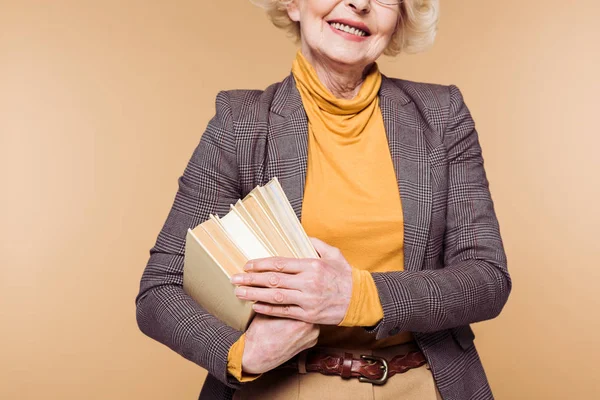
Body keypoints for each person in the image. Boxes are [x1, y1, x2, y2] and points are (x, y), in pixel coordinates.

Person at [135, 0, 511, 399]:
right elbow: (161, 288)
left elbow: (487, 278)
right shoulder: (240, 122)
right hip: (279, 386)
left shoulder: (442, 115)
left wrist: (358, 296)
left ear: (400, 18)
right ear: (293, 5)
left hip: (422, 384)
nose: (360, 3)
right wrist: (241, 352)